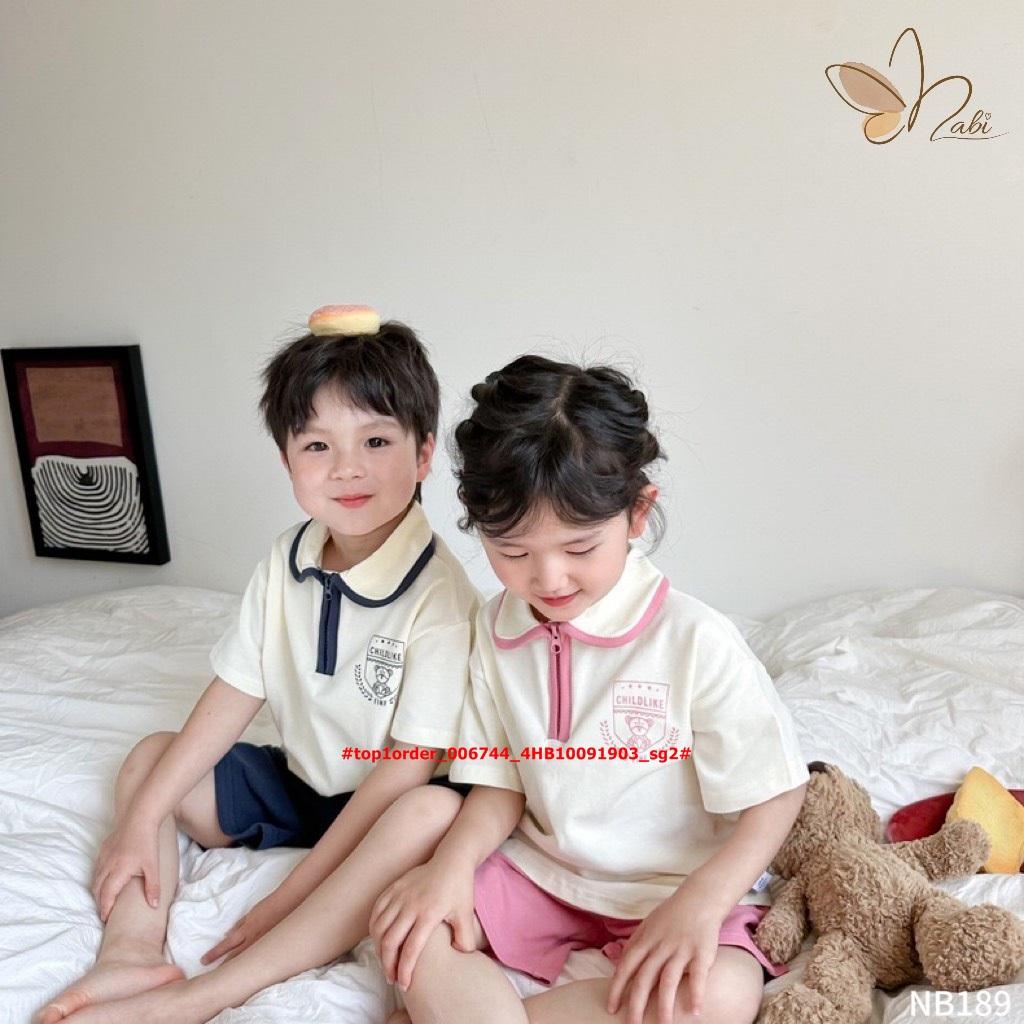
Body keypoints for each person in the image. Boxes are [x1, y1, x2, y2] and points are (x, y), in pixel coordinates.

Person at [37, 309, 479, 1024]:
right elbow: (234, 693)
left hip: (387, 806)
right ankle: (133, 951)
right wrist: (139, 820)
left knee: (431, 814)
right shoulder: (286, 558)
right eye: (317, 445)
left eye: (376, 441)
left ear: (424, 453)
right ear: (286, 460)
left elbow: (406, 770)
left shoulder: (442, 597)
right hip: (303, 784)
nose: (347, 468)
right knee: (152, 759)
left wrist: (292, 892)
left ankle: (214, 991)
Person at [369, 355, 810, 1024]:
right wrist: (450, 868)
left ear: (637, 513)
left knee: (717, 997)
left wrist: (703, 901)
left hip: (674, 887)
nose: (548, 580)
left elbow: (775, 795)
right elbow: (500, 784)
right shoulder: (495, 629)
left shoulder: (695, 638)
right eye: (512, 551)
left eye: (579, 549)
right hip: (540, 875)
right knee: (410, 926)